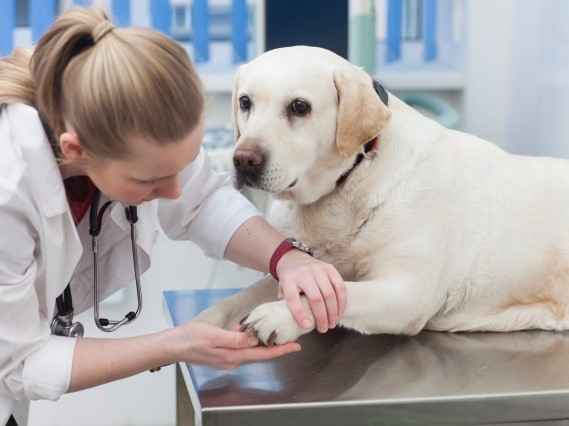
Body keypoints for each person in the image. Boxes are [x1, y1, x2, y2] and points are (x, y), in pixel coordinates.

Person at [0, 7, 346, 425]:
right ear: (75, 150)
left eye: (179, 169)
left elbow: (202, 200)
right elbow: (20, 363)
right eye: (152, 180)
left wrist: (288, 258)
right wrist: (177, 344)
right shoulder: (8, 187)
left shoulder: (114, 117)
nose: (175, 191)